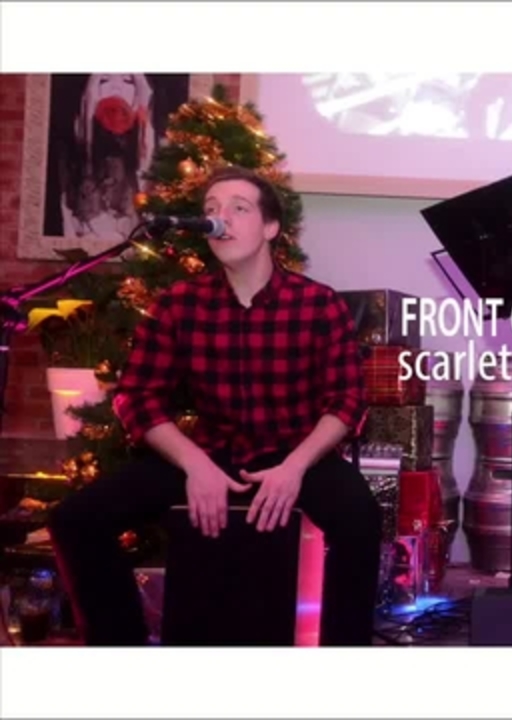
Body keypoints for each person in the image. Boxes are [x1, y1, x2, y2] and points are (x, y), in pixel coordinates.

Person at [49, 165, 383, 646]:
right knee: (76, 520)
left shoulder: (317, 303)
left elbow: (348, 400)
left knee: (360, 518)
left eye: (238, 209)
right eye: (211, 209)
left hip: (296, 454)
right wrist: (194, 464)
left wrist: (294, 467)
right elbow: (136, 395)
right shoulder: (179, 303)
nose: (220, 218)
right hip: (209, 452)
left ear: (271, 227)